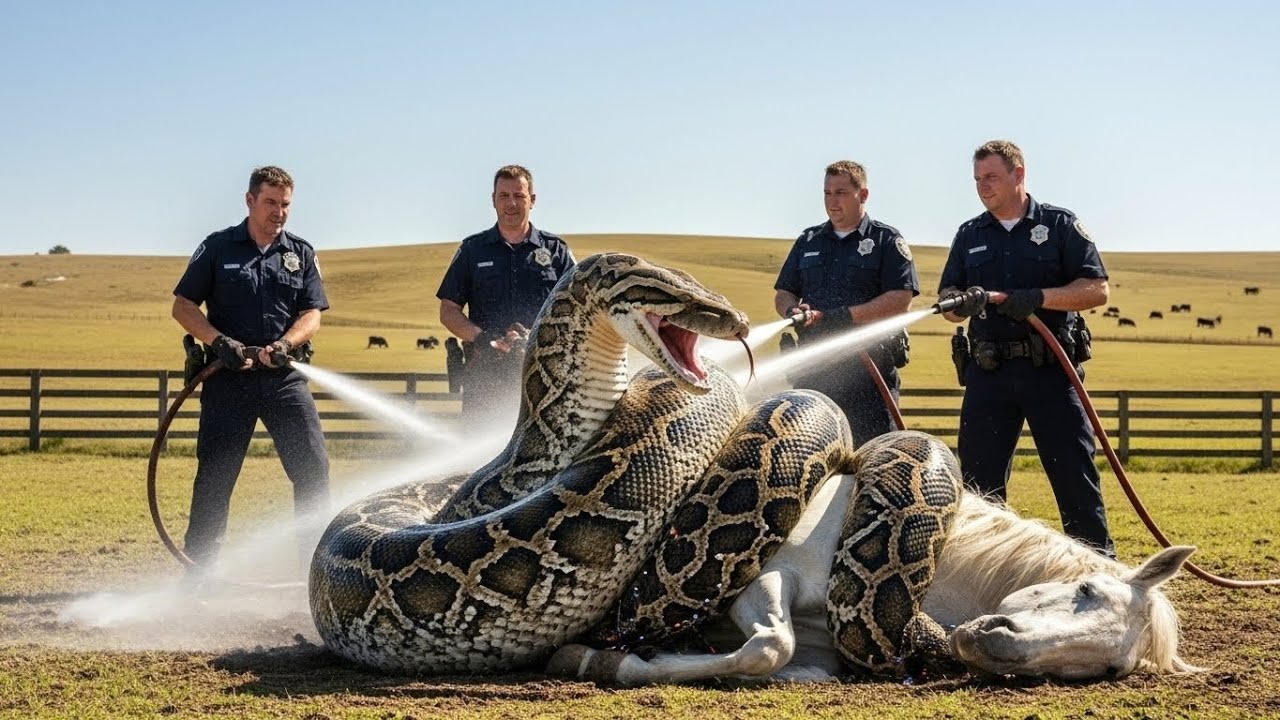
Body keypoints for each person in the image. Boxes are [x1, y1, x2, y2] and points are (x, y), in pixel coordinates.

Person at [937, 139, 1114, 557]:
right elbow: (947, 298)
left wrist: (1038, 297)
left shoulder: (1059, 225)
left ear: (1019, 175)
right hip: (989, 373)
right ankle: (978, 575)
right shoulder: (969, 234)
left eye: (992, 177)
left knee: (1074, 477)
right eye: (977, 179)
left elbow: (1096, 289)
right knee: (978, 489)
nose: (983, 187)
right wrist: (959, 301)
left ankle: (1097, 573)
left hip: (1049, 371)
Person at [171, 165, 330, 582]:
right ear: (249, 200)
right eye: (270, 203)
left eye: (285, 205)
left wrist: (285, 345)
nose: (279, 212)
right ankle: (198, 577)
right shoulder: (218, 247)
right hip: (227, 380)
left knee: (313, 469)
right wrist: (219, 341)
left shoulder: (301, 253)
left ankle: (315, 577)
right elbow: (183, 306)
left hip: (283, 380)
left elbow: (312, 313)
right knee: (215, 478)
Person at [773, 160, 919, 447]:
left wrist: (842, 316)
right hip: (814, 372)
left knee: (871, 458)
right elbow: (783, 293)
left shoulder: (886, 240)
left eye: (840, 192)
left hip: (868, 374)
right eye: (827, 193)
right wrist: (792, 311)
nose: (831, 201)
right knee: (809, 454)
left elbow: (900, 300)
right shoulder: (809, 240)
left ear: (862, 195)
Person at [436, 165, 575, 428]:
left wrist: (532, 338)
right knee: (479, 457)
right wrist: (483, 338)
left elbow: (577, 311)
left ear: (532, 200)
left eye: (519, 196)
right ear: (493, 200)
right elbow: (448, 311)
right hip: (486, 374)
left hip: (544, 376)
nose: (511, 203)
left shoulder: (556, 251)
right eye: (504, 196)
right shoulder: (472, 250)